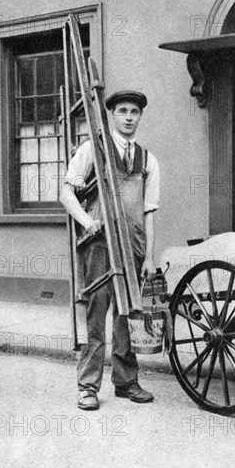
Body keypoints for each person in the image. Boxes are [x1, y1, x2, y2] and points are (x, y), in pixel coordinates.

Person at [60, 90, 159, 411]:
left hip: (133, 245)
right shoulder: (94, 149)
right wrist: (87, 221)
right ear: (112, 115)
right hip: (100, 244)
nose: (129, 117)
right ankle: (87, 386)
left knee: (127, 315)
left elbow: (149, 211)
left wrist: (151, 256)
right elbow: (66, 192)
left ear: (141, 116)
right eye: (123, 111)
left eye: (135, 112)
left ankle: (126, 381)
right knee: (96, 312)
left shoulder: (148, 159)